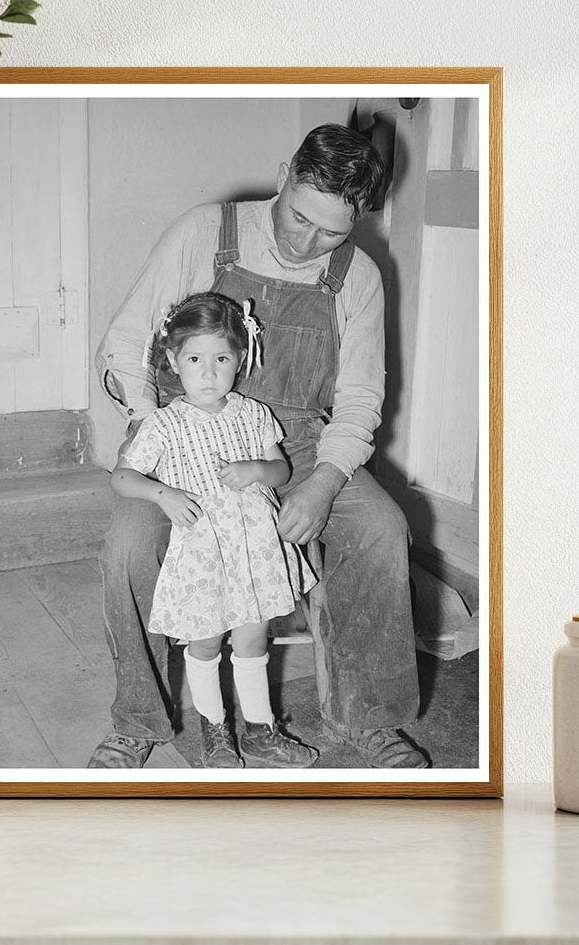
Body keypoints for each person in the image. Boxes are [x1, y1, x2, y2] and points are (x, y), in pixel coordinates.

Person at [91, 122, 429, 770]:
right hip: (187, 430)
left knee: (381, 528)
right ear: (283, 175)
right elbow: (125, 343)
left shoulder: (357, 276)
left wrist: (324, 482)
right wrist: (149, 424)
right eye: (299, 217)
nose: (307, 242)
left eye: (331, 230)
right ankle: (139, 716)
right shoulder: (203, 233)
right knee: (131, 545)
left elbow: (359, 401)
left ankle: (369, 716)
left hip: (296, 441)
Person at [112, 291, 319, 768]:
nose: (208, 373)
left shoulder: (253, 414)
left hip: (256, 549)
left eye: (221, 358)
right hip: (204, 553)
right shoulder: (165, 426)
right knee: (205, 643)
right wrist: (162, 494)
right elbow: (123, 478)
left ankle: (261, 729)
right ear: (172, 360)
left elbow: (281, 471)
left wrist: (257, 470)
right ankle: (215, 729)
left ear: (241, 358)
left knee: (252, 641)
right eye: (195, 359)